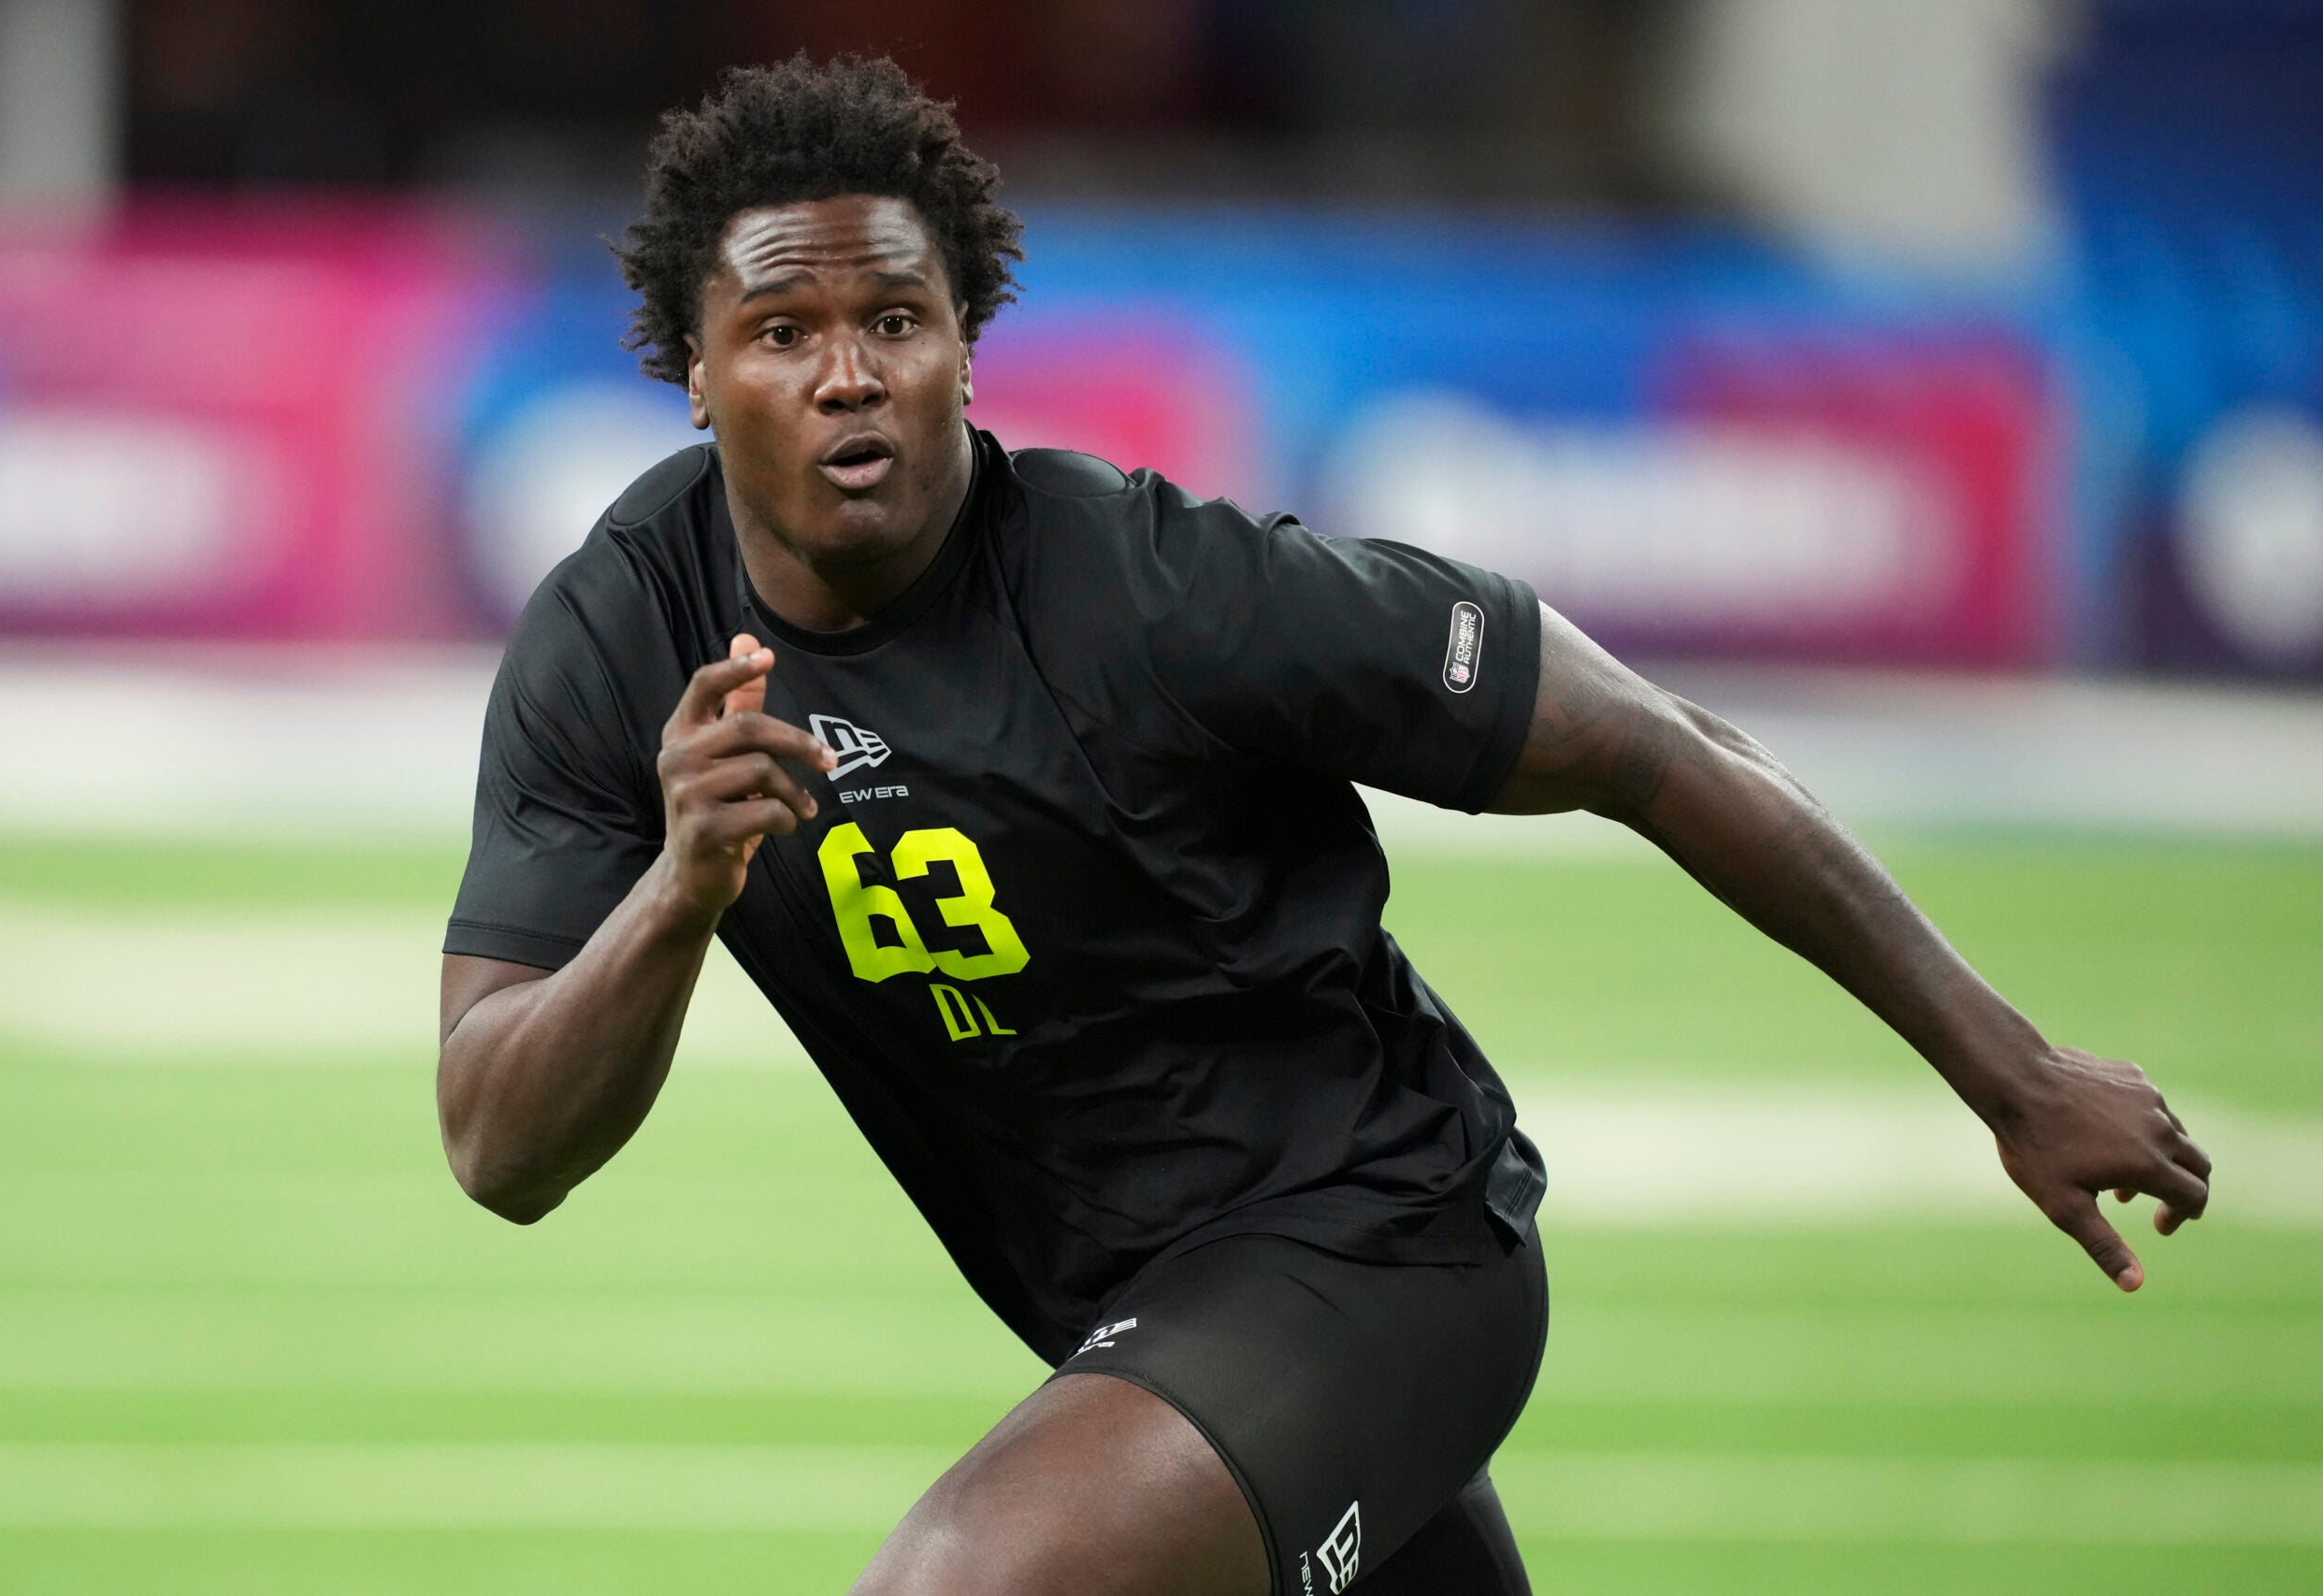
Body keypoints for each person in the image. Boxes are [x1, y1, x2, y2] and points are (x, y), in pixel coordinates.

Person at [435, 53, 2212, 1596]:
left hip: (1382, 1243)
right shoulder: (620, 638)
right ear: (691, 370)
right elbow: (499, 1145)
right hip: (1137, 1317)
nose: (848, 376)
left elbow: (1654, 745)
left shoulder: (1157, 589)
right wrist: (678, 896)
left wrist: (2014, 1073)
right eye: (783, 333)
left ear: (965, 348)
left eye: (896, 321)